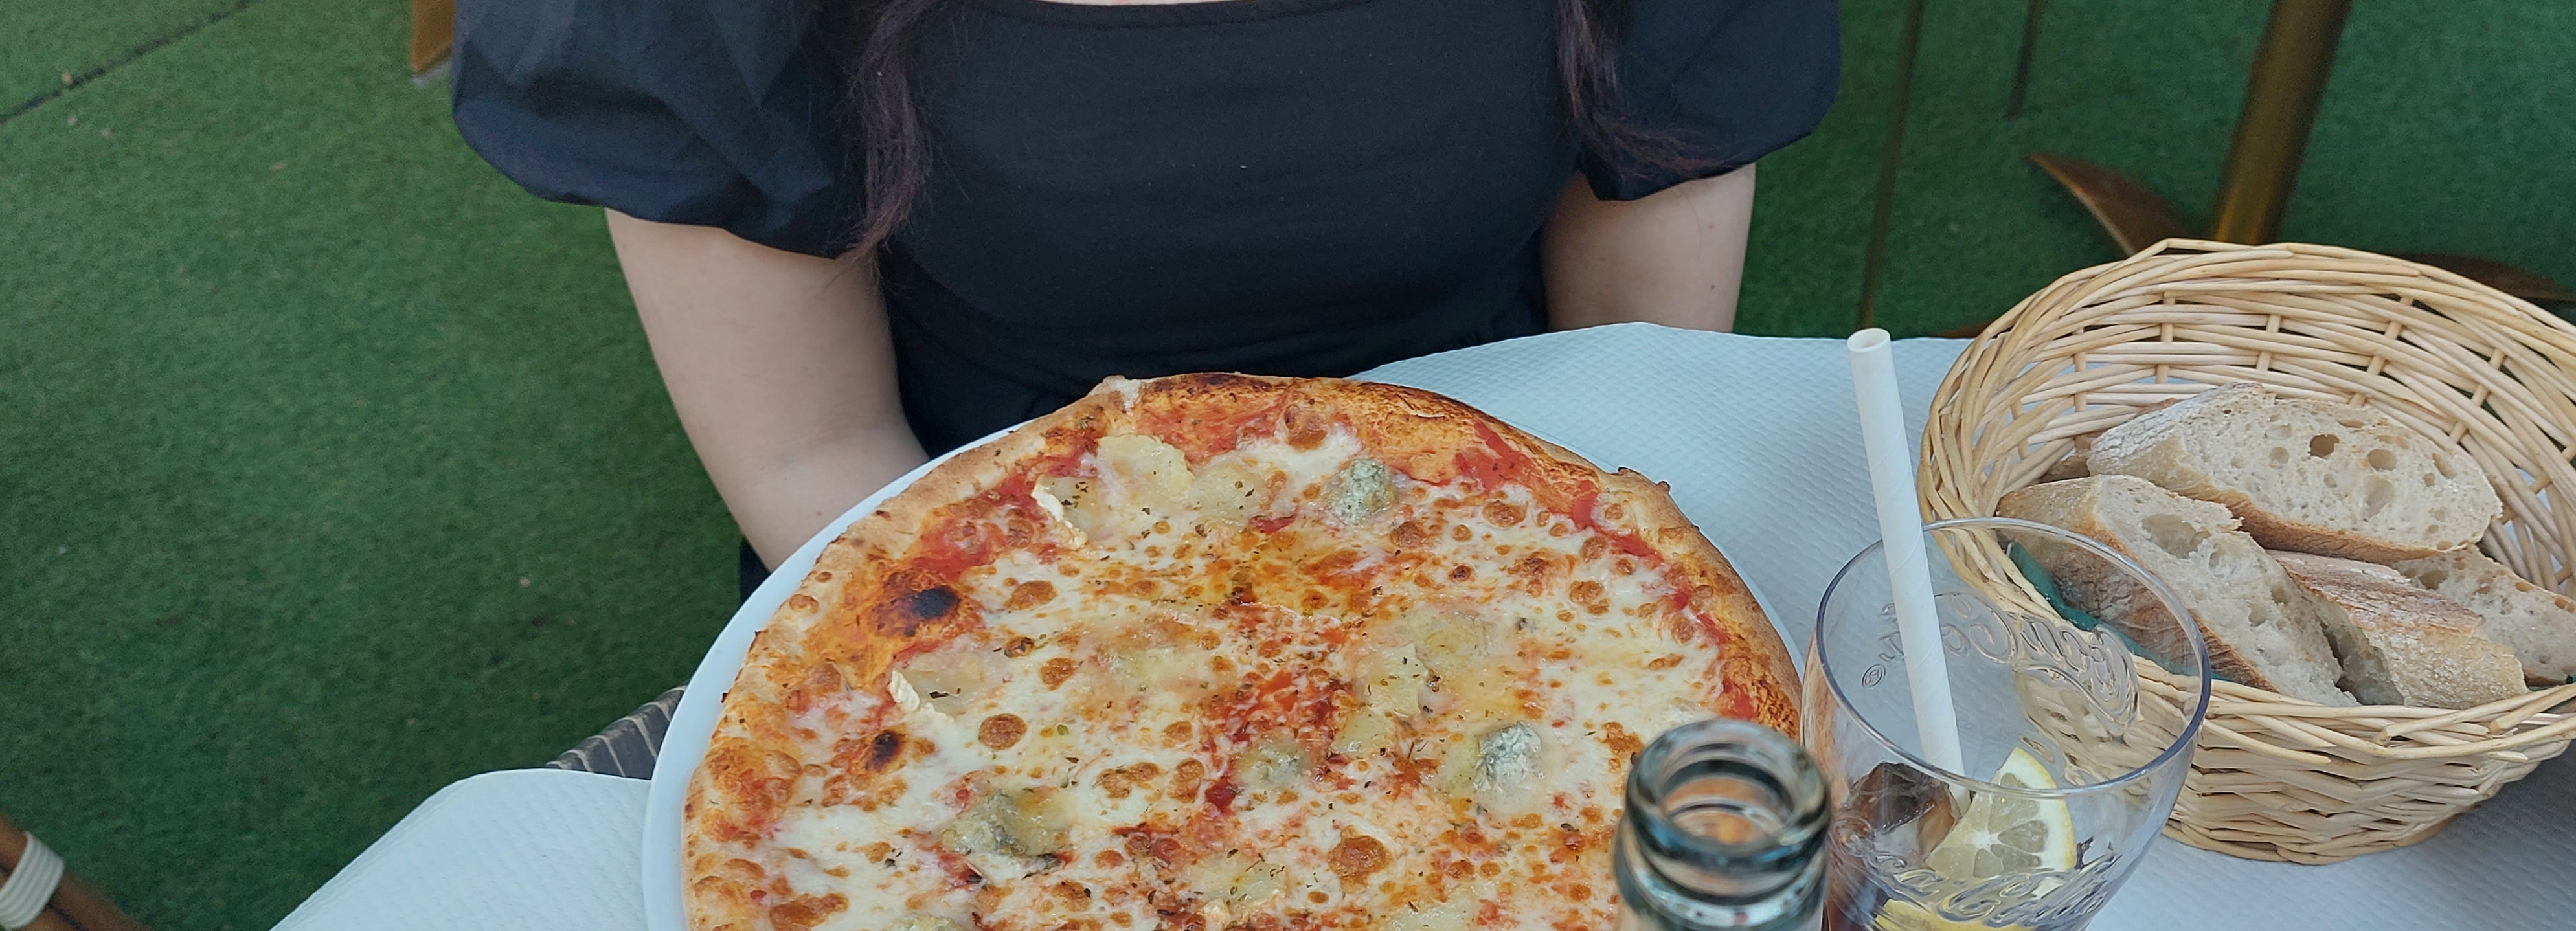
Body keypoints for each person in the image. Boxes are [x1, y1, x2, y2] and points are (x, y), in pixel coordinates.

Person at [451, 0, 1838, 586]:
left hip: (1507, 528)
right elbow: (813, 452)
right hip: (982, 561)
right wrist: (1138, 709)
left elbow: (1635, 380)